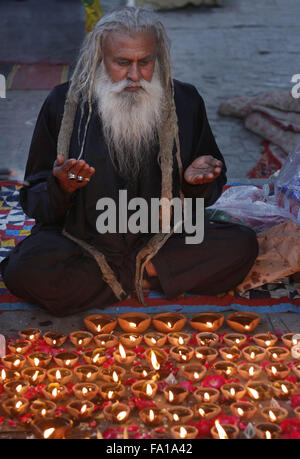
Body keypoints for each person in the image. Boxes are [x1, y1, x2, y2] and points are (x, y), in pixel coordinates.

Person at [0, 7, 258, 317]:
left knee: (242, 245)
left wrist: (194, 183)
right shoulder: (62, 103)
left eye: (145, 62)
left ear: (157, 58)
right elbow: (33, 198)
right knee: (22, 270)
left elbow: (210, 186)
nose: (135, 76)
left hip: (163, 239)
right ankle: (146, 277)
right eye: (122, 63)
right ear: (100, 60)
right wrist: (61, 187)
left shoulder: (186, 102)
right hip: (85, 241)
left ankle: (129, 276)